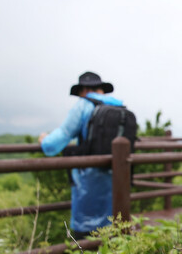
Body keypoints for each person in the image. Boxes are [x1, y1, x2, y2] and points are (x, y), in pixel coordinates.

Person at [39, 72, 125, 240]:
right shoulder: (118, 107)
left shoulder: (83, 105)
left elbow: (59, 139)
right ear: (101, 89)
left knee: (86, 226)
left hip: (89, 177)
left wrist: (44, 140)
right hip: (116, 176)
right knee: (112, 223)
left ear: (84, 90)